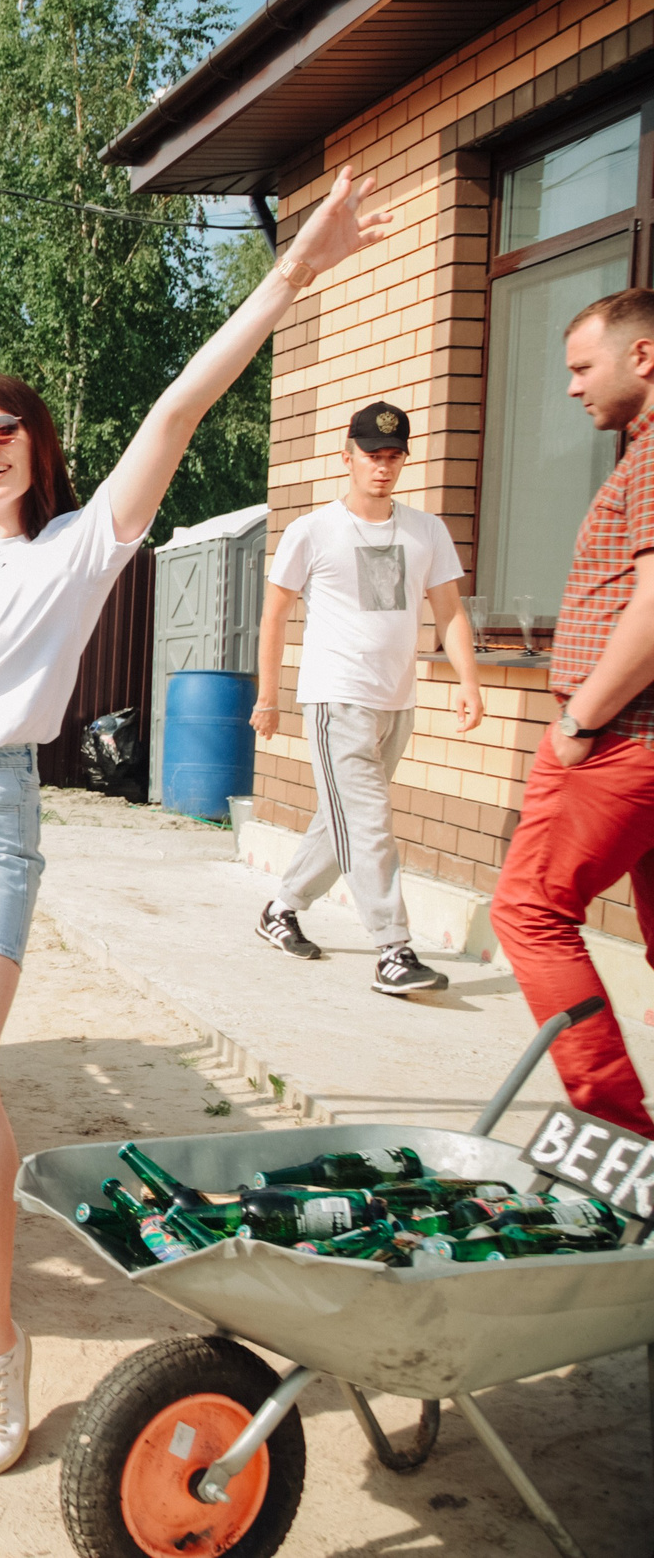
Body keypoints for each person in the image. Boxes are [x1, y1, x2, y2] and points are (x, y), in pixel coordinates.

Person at [0, 165, 392, 1474]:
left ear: (37, 442)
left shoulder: (80, 546)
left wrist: (290, 274)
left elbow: (177, 404)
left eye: (2, 428)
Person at [492, 288, 654, 1139]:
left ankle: (622, 1135)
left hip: (621, 738)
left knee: (529, 910)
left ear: (643, 356)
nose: (570, 387)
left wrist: (581, 721)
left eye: (584, 367)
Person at [252, 401, 482, 994]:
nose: (382, 466)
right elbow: (274, 616)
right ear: (347, 456)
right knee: (370, 821)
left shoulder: (426, 530)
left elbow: (450, 612)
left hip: (396, 701)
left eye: (393, 456)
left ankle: (281, 908)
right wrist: (269, 696)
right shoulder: (312, 531)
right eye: (371, 455)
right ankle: (393, 950)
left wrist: (469, 681)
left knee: (344, 818)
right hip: (337, 699)